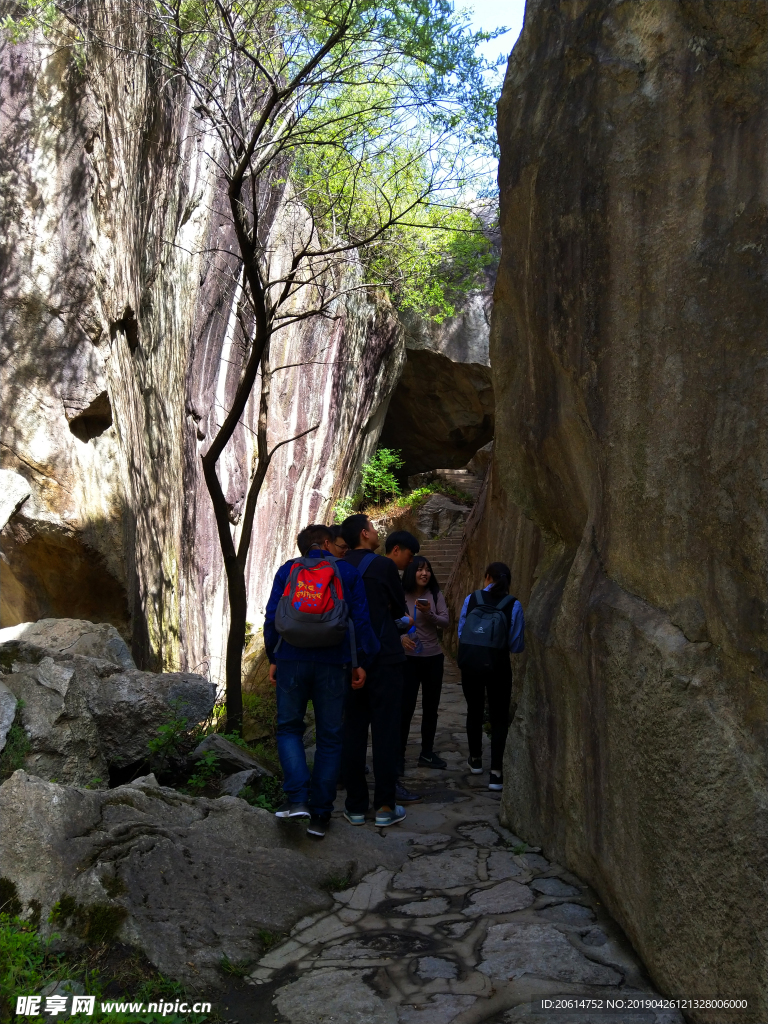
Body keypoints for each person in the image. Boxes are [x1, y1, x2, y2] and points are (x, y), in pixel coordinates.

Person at [263, 523, 380, 839]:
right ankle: (320, 816)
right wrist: (362, 663)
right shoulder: (345, 572)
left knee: (289, 728)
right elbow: (360, 620)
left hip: (291, 659)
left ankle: (297, 798)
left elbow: (272, 616)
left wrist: (274, 659)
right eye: (337, 544)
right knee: (330, 738)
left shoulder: (288, 571)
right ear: (326, 543)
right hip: (333, 661)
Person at [340, 515, 419, 827]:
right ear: (364, 534)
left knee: (354, 733)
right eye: (373, 528)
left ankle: (356, 806)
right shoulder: (384, 567)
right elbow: (399, 609)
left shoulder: (338, 567)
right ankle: (385, 806)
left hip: (349, 660)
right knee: (386, 732)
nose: (377, 533)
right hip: (385, 657)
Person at [457, 561, 525, 792]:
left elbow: (461, 632)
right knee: (498, 718)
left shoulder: (471, 599)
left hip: (471, 665)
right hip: (498, 666)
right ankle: (496, 772)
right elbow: (516, 645)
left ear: (487, 577)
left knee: (474, 710)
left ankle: (475, 759)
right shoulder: (513, 605)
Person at [400, 556, 450, 773]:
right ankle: (398, 754)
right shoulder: (401, 595)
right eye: (420, 569)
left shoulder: (436, 595)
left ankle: (426, 753)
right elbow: (388, 621)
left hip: (432, 658)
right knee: (405, 708)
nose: (425, 573)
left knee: (431, 708)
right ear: (411, 572)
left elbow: (445, 622)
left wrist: (428, 612)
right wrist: (399, 637)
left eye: (428, 570)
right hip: (407, 660)